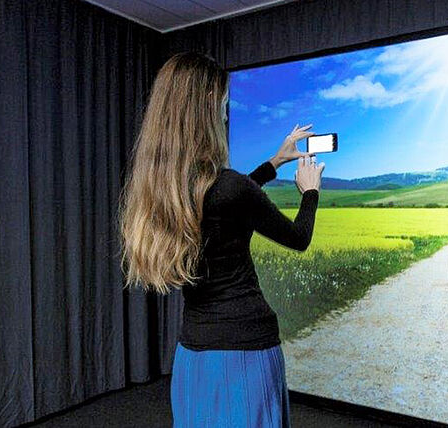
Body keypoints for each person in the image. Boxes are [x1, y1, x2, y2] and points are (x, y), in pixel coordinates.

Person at [118, 52, 324, 427]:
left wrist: (274, 163)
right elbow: (298, 238)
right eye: (224, 106)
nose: (226, 115)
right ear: (209, 107)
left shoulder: (165, 190)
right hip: (245, 352)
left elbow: (222, 198)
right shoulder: (229, 189)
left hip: (193, 355)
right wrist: (310, 192)